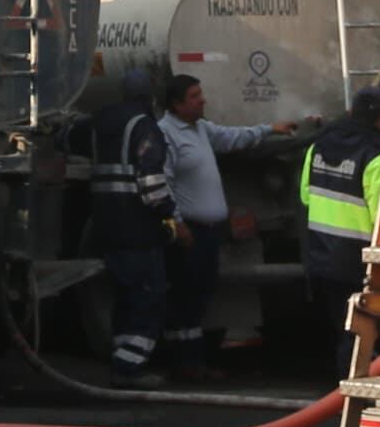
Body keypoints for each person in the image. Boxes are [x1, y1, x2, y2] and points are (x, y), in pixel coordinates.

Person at [149, 75, 299, 381]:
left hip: (209, 231)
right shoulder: (166, 135)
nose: (202, 99)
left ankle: (193, 360)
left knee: (201, 294)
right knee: (186, 298)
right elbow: (163, 183)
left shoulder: (201, 129)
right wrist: (177, 223)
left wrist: (271, 129)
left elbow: (233, 137)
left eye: (200, 93)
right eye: (194, 96)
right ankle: (185, 363)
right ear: (176, 105)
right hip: (190, 231)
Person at [297, 84, 380, 372]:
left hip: (321, 254)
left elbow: (306, 195)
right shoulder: (377, 155)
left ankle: (345, 391)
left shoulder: (318, 144)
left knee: (344, 328)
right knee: (364, 332)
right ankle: (359, 395)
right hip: (360, 260)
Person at [76, 65, 177, 386]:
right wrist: (169, 215)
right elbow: (151, 181)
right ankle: (128, 368)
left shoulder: (101, 120)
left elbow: (67, 137)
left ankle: (121, 356)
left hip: (105, 221)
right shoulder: (144, 126)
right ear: (150, 95)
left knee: (125, 295)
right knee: (148, 296)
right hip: (137, 225)